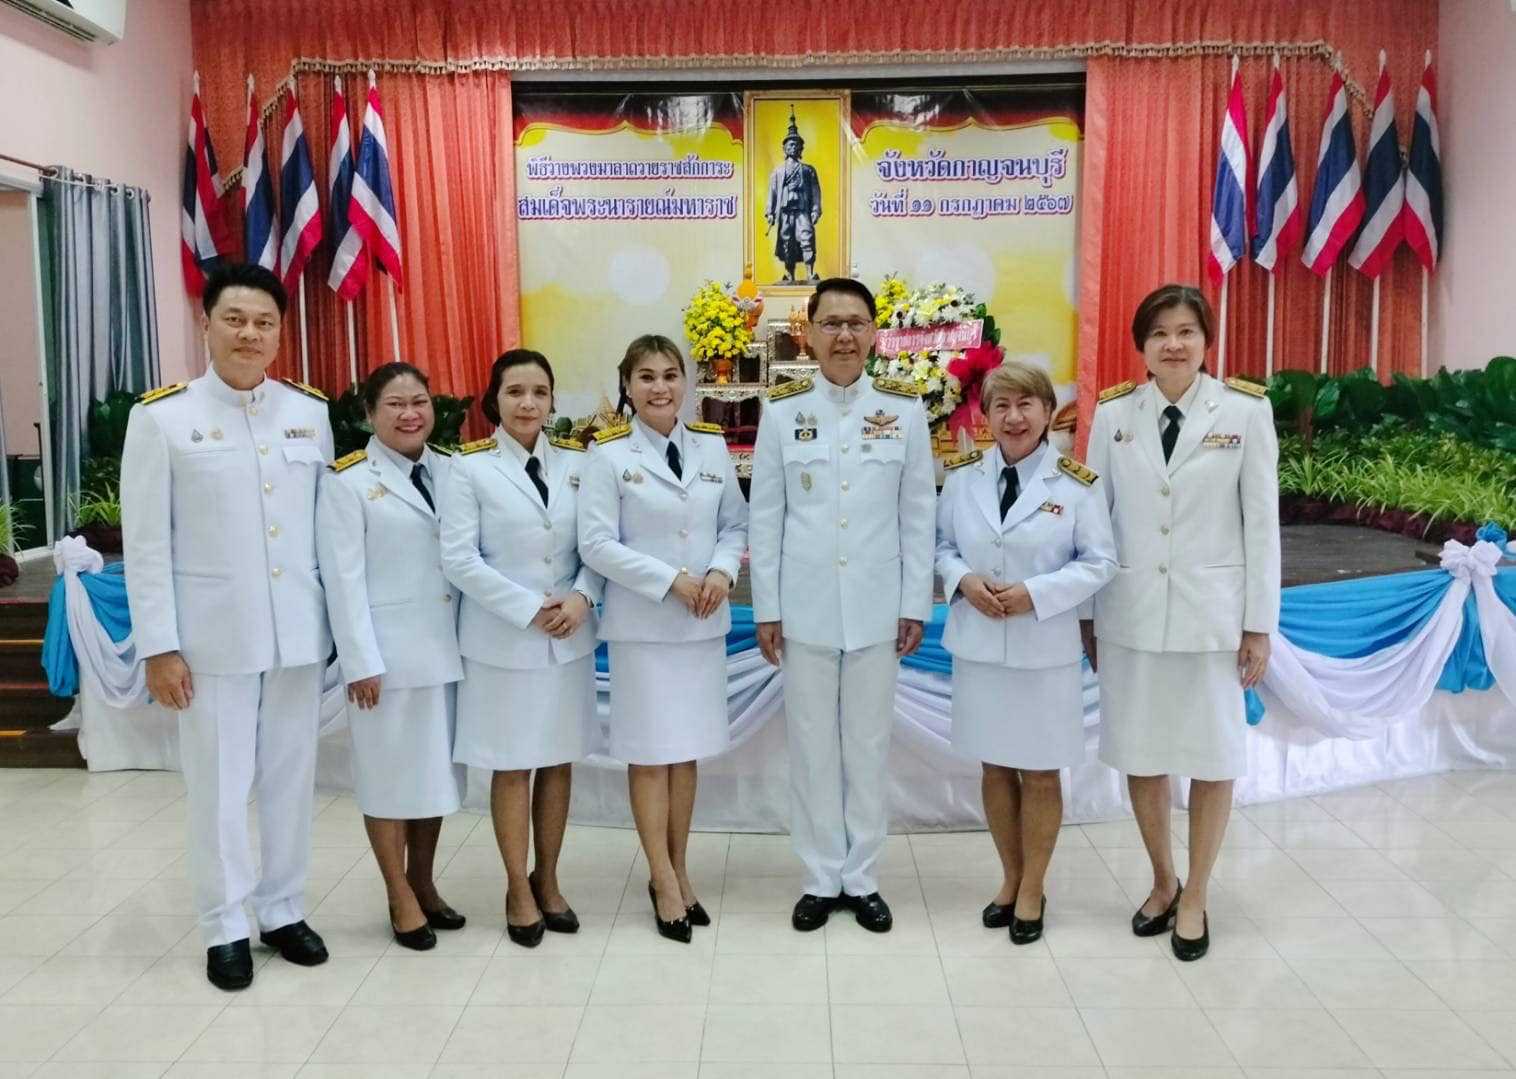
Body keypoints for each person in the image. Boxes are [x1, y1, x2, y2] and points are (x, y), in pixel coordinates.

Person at [121, 262, 332, 990]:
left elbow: (325, 531)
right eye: (235, 319)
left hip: (297, 635)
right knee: (217, 785)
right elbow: (147, 544)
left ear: (280, 333)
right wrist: (159, 647)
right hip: (211, 641)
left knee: (290, 780)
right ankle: (225, 926)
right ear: (206, 324)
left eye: (264, 322)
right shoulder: (163, 418)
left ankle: (282, 909)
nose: (250, 333)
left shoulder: (307, 412)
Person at [1081, 283, 1280, 961]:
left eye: (1186, 331)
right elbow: (1094, 522)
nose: (1173, 344)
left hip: (1212, 620)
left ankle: (1196, 893)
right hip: (1131, 615)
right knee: (1141, 752)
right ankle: (1162, 880)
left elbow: (1262, 525)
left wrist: (1259, 624)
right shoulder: (1114, 415)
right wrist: (1087, 615)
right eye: (1160, 332)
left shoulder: (1246, 411)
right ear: (1141, 345)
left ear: (1205, 340)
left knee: (1212, 756)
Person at [749, 277, 936, 933]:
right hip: (803, 608)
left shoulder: (905, 411)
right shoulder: (782, 412)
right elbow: (765, 517)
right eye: (831, 323)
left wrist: (915, 602)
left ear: (875, 333)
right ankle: (820, 876)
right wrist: (767, 608)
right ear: (809, 334)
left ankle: (862, 878)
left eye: (856, 323)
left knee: (867, 746)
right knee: (811, 748)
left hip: (878, 607)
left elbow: (918, 514)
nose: (845, 335)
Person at [935, 361, 1116, 944]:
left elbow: (1100, 562)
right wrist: (962, 580)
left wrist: (1035, 594)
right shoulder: (962, 477)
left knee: (1039, 772)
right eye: (1001, 406)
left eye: (1025, 405)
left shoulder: (1077, 484)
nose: (1014, 417)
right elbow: (940, 545)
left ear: (1046, 412)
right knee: (994, 766)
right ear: (986, 416)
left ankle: (1034, 887)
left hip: (1044, 651)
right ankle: (1010, 879)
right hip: (979, 647)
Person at [578, 334, 748, 943]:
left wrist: (721, 573)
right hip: (643, 629)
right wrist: (670, 579)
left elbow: (735, 524)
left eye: (670, 375)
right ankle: (661, 877)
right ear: (627, 386)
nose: (660, 387)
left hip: (701, 625)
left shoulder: (710, 445)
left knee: (685, 753)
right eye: (646, 377)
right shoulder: (606, 455)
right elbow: (596, 544)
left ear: (685, 383)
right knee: (650, 755)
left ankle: (679, 866)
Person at [441, 350, 601, 948]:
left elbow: (599, 545)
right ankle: (516, 887)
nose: (528, 403)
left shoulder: (581, 464)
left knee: (557, 762)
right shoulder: (469, 468)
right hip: (503, 642)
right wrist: (530, 608)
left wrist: (582, 596)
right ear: (495, 399)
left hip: (568, 638)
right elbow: (459, 559)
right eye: (514, 391)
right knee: (511, 766)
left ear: (553, 399)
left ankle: (548, 879)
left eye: (539, 391)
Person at [317, 362, 467, 952]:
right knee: (386, 779)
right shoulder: (348, 482)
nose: (410, 414)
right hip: (385, 661)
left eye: (420, 402)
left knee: (433, 778)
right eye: (395, 404)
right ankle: (397, 894)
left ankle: (424, 883)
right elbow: (342, 579)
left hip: (447, 652)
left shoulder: (453, 470)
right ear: (369, 414)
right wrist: (360, 662)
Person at [765, 105, 822, 283]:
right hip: (785, 211)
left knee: (807, 237)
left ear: (801, 148)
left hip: (802, 210)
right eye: (790, 144)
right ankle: (789, 275)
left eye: (797, 144)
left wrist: (815, 210)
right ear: (784, 148)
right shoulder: (777, 172)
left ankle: (810, 273)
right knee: (786, 241)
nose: (794, 147)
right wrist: (770, 213)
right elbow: (772, 193)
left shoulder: (808, 170)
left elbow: (816, 192)